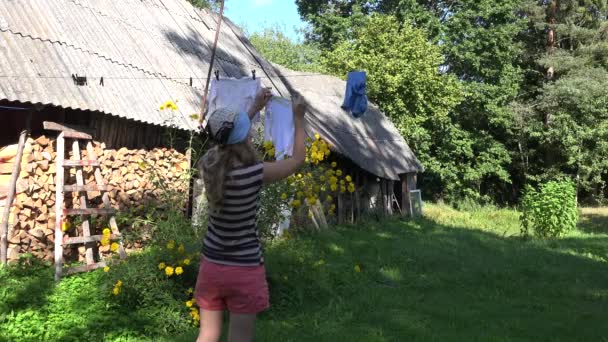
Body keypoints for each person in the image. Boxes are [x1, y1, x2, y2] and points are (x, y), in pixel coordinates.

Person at [195, 88, 307, 342]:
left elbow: (227, 138)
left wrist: (254, 107)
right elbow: (297, 160)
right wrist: (299, 118)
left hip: (211, 264)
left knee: (208, 334)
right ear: (244, 135)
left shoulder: (208, 164)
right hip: (244, 268)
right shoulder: (256, 172)